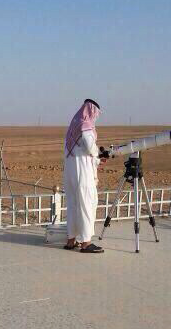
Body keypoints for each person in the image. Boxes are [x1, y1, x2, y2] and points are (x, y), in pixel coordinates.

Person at [63, 99, 104, 253]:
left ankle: (71, 240)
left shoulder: (73, 127)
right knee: (87, 204)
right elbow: (88, 146)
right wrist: (97, 153)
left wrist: (96, 159)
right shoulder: (86, 126)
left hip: (70, 172)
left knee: (73, 206)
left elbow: (79, 152)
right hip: (83, 173)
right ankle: (86, 243)